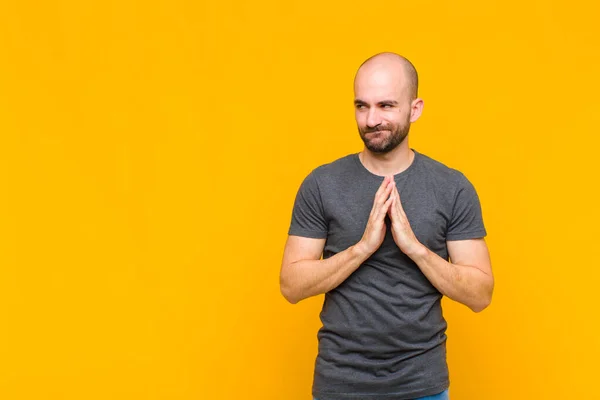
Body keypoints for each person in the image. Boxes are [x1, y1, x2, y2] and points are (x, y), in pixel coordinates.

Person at [279, 52, 494, 400]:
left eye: (386, 105)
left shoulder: (452, 187)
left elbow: (481, 295)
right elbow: (291, 286)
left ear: (415, 108)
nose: (371, 119)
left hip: (422, 386)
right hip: (340, 385)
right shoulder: (322, 184)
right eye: (362, 106)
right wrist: (362, 248)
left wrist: (416, 250)